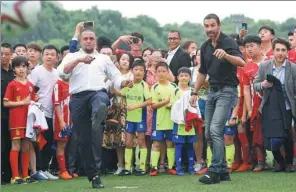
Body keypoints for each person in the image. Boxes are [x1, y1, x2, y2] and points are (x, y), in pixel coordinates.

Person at [57, 28, 132, 188]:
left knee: (101, 99)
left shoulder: (104, 58)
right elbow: (62, 73)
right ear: (82, 41)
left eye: (92, 38)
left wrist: (124, 82)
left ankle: (98, 114)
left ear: (95, 41)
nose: (89, 41)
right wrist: (79, 61)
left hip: (97, 94)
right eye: (86, 38)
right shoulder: (72, 56)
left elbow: (116, 76)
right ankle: (94, 176)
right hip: (77, 98)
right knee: (84, 141)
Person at [190, 13, 245, 184]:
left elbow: (241, 62)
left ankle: (214, 170)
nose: (209, 29)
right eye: (207, 26)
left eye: (212, 25)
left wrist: (227, 56)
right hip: (212, 92)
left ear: (219, 26)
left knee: (215, 129)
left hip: (227, 91)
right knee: (208, 132)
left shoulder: (228, 42)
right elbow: (202, 72)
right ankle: (222, 171)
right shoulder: (205, 46)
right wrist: (194, 92)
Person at [253, 38, 296, 172]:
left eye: (283, 50)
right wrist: (263, 85)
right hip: (269, 106)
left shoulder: (293, 68)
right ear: (273, 50)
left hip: (287, 106)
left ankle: (289, 163)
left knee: (287, 135)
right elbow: (255, 85)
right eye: (277, 50)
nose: (280, 53)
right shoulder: (265, 66)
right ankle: (279, 161)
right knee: (271, 135)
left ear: (287, 52)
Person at [3, 56, 36, 184]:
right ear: (14, 69)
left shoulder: (31, 85)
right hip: (16, 119)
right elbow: (5, 103)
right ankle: (15, 176)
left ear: (27, 68)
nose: (21, 69)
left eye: (23, 66)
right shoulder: (12, 84)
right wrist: (22, 102)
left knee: (26, 145)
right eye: (18, 67)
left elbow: (32, 101)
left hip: (28, 120)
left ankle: (26, 175)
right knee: (16, 145)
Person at [29, 45, 60, 180]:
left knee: (50, 141)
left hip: (54, 112)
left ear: (57, 57)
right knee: (40, 142)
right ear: (42, 55)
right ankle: (38, 169)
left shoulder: (57, 72)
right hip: (40, 112)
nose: (49, 56)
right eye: (47, 54)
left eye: (52, 54)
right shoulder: (37, 71)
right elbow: (29, 87)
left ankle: (45, 168)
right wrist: (33, 98)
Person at [119, 60, 152, 176]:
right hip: (130, 118)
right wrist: (123, 103)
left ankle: (142, 167)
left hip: (140, 118)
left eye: (141, 70)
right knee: (128, 143)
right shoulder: (128, 84)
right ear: (132, 71)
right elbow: (121, 94)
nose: (138, 72)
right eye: (136, 69)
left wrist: (135, 106)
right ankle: (128, 168)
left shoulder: (144, 85)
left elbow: (149, 101)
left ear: (144, 72)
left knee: (141, 141)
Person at [242, 35, 266, 172]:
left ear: (260, 47)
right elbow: (246, 90)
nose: (249, 49)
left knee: (277, 131)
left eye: (252, 46)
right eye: (247, 47)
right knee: (256, 133)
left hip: (270, 102)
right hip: (255, 103)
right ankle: (261, 161)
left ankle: (284, 160)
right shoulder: (246, 67)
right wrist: (249, 109)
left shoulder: (270, 62)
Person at [149, 62, 177, 176]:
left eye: (164, 71)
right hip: (158, 121)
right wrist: (165, 102)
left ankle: (171, 166)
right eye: (159, 71)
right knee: (156, 143)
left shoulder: (174, 87)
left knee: (170, 144)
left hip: (171, 121)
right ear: (156, 73)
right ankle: (154, 167)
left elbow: (177, 102)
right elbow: (153, 105)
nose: (161, 74)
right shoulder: (154, 87)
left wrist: (171, 104)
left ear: (168, 72)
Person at [171, 67, 198, 175]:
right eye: (181, 76)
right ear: (177, 77)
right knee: (179, 145)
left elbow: (195, 106)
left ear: (190, 78)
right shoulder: (175, 90)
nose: (183, 78)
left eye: (186, 75)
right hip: (179, 123)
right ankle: (179, 168)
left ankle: (191, 167)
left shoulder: (193, 91)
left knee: (190, 145)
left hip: (190, 123)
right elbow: (174, 105)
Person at [52, 77, 74, 179]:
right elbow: (56, 104)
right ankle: (62, 170)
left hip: (72, 119)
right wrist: (61, 121)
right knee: (61, 144)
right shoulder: (58, 84)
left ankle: (69, 169)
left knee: (69, 145)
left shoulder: (74, 82)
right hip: (61, 119)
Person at [1, 43, 15, 184]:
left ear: (11, 55)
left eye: (6, 54)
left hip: (13, 116)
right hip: (1, 115)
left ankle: (9, 175)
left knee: (11, 146)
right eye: (1, 54)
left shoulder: (14, 73)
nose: (3, 57)